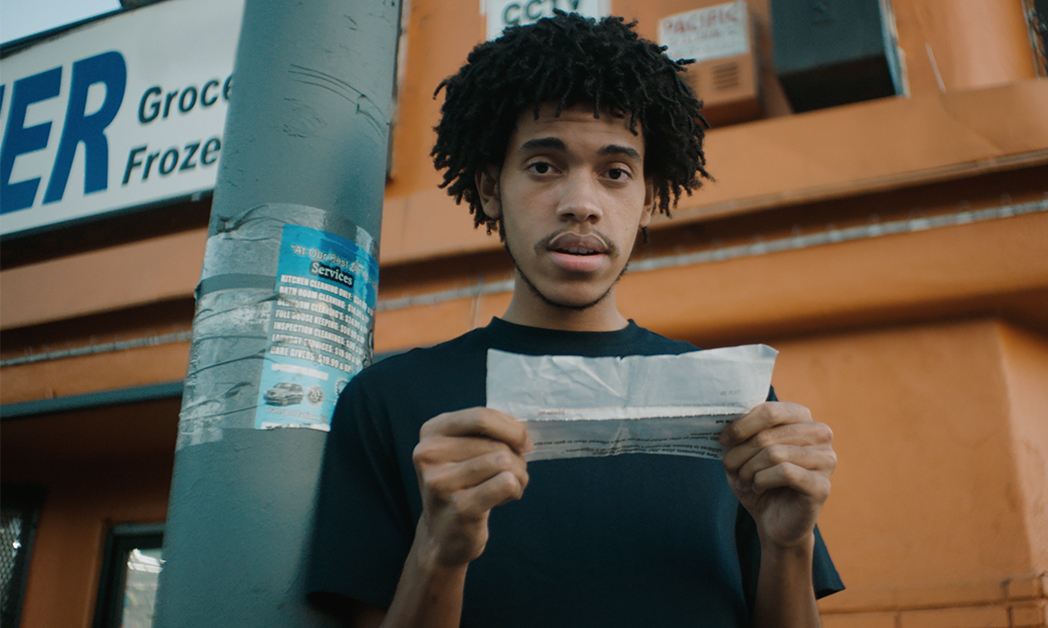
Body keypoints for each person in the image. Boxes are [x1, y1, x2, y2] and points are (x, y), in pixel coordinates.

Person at [307, 12, 843, 628]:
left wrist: (789, 542)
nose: (581, 205)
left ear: (647, 200)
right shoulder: (388, 401)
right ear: (488, 189)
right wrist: (438, 547)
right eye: (543, 166)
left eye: (616, 173)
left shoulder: (736, 407)